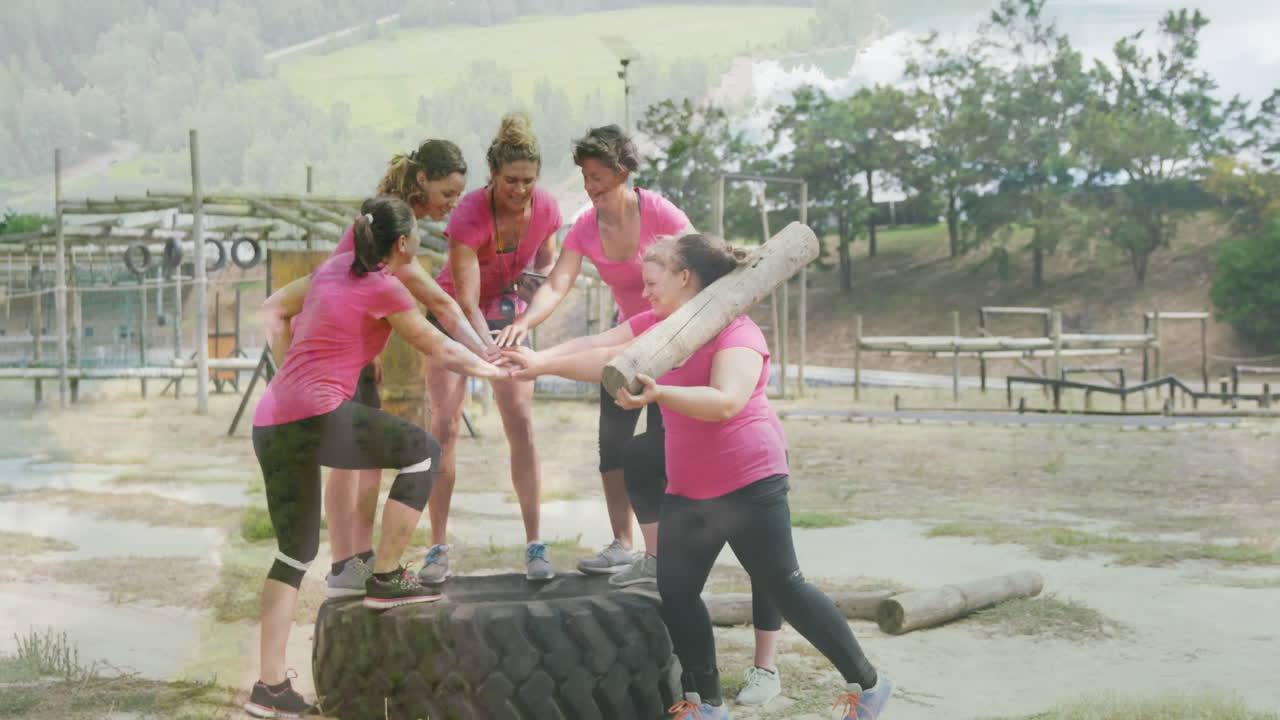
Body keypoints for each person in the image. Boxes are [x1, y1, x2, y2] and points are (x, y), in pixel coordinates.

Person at [504, 233, 894, 720]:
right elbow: (603, 348)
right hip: (689, 488)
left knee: (785, 588)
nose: (644, 292)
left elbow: (726, 401)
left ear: (685, 277)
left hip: (749, 483)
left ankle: (868, 684)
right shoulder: (661, 327)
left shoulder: (738, 332)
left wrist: (659, 394)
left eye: (653, 282)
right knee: (678, 593)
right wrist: (538, 362)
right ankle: (707, 704)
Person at [494, 125, 785, 706]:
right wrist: (533, 343)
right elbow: (588, 323)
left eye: (599, 178)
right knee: (633, 455)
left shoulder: (665, 222)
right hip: (640, 348)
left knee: (761, 548)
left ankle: (766, 665)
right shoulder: (591, 233)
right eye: (585, 178)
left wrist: (544, 363)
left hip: (685, 358)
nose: (590, 188)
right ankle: (649, 556)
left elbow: (705, 269)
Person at [244, 196, 508, 718]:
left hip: (272, 419)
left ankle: (268, 687)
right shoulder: (385, 287)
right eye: (418, 235)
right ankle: (386, 576)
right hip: (318, 417)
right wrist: (494, 370)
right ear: (403, 243)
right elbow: (437, 345)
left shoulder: (331, 268)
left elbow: (278, 311)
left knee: (294, 554)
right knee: (423, 452)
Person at [313, 139, 495, 601]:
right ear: (422, 180)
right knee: (349, 463)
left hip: (353, 354)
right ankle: (345, 562)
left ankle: (358, 558)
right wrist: (488, 356)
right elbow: (441, 305)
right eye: (447, 193)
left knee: (367, 462)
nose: (452, 204)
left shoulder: (394, 221)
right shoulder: (393, 225)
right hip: (336, 359)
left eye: (459, 195)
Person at [423, 113, 561, 582]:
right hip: (455, 314)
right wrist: (486, 351)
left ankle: (535, 543)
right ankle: (437, 547)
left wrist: (523, 319)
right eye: (510, 181)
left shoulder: (546, 208)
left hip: (504, 309)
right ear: (492, 175)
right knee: (444, 427)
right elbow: (464, 302)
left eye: (528, 181)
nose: (520, 190)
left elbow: (546, 264)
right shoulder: (468, 214)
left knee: (519, 419)